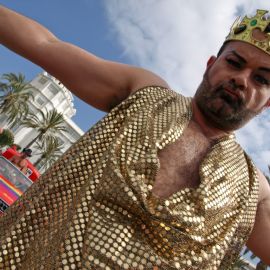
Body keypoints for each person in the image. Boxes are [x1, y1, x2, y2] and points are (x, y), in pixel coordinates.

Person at [0, 5, 269, 269]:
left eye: (261, 79)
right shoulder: (145, 93)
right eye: (234, 63)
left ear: (268, 103)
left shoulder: (253, 189)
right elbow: (44, 44)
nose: (242, 80)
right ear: (210, 65)